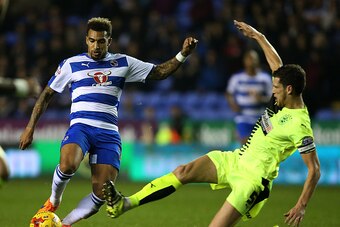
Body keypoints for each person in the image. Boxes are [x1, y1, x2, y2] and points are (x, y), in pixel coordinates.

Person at [103, 20, 321, 227]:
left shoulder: (299, 124)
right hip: (236, 159)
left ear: (289, 89)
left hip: (254, 179)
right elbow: (277, 65)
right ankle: (125, 203)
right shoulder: (282, 98)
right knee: (183, 171)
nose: (272, 91)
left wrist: (301, 205)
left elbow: (314, 169)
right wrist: (258, 36)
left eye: (276, 87)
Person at [19, 17, 197, 227]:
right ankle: (53, 201)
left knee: (102, 192)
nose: (96, 46)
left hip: (108, 133)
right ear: (86, 40)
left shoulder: (123, 63)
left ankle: (64, 224)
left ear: (109, 41)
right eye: (93, 41)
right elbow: (47, 94)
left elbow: (159, 72)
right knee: (67, 165)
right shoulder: (71, 64)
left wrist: (183, 54)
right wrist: (30, 128)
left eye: (101, 41)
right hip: (81, 127)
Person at [225, 49, 272, 145]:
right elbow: (229, 93)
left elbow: (273, 99)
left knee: (269, 145)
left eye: (254, 59)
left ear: (258, 61)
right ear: (245, 61)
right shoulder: (237, 78)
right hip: (243, 117)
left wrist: (262, 99)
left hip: (263, 117)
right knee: (246, 146)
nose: (252, 61)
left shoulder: (265, 78)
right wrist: (232, 104)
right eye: (250, 59)